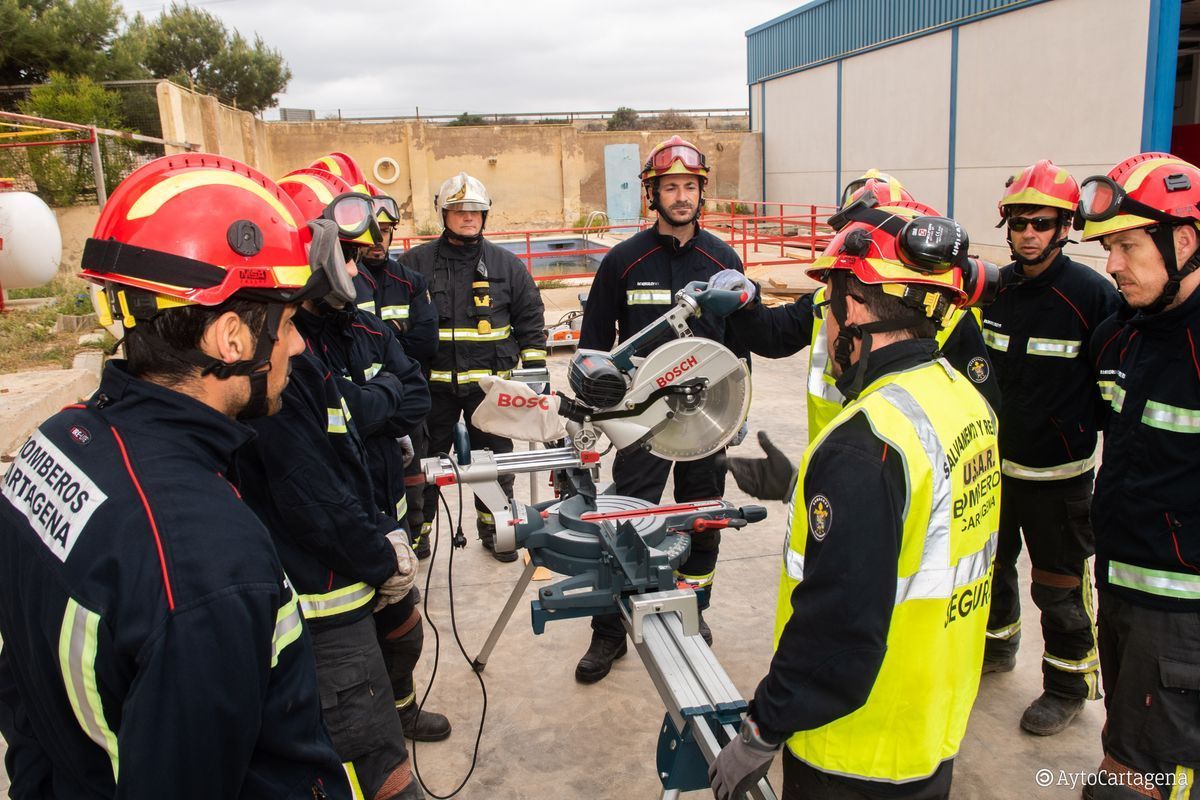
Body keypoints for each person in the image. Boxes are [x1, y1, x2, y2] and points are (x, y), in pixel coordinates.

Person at [0, 154, 350, 797]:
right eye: (290, 323)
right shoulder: (206, 560)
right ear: (231, 339)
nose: (297, 347)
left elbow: (22, 695)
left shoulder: (53, 443)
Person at [710, 202, 1001, 800]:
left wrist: (762, 731)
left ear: (859, 306)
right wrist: (802, 488)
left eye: (832, 304)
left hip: (855, 749)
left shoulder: (867, 441)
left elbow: (837, 629)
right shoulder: (963, 401)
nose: (829, 326)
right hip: (929, 724)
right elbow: (919, 529)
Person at [280, 165, 451, 744]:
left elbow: (417, 396)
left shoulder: (364, 328)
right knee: (348, 677)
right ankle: (376, 728)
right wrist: (378, 401)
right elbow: (325, 450)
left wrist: (361, 405)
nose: (359, 270)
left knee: (403, 637)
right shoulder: (289, 349)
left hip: (387, 519)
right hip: (340, 549)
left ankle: (400, 712)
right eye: (347, 258)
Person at [573, 135, 750, 683]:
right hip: (642, 421)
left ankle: (694, 614)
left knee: (703, 520)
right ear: (653, 194)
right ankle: (609, 631)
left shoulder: (723, 260)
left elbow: (738, 345)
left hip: (706, 419)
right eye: (670, 186)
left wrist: (738, 412)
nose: (681, 196)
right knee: (626, 520)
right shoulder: (624, 261)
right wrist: (593, 416)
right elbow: (593, 346)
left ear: (702, 193)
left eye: (690, 187)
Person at [723, 172, 999, 504]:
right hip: (837, 474)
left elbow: (976, 431)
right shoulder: (828, 303)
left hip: (899, 486)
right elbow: (772, 337)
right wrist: (745, 303)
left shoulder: (953, 319)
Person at [980, 160, 1119, 736]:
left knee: (1059, 588)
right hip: (993, 467)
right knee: (991, 569)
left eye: (1042, 222)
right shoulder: (997, 290)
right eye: (1019, 222)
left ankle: (1066, 687)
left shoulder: (1093, 295)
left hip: (1058, 476)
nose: (1029, 233)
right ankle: (996, 647)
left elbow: (1115, 392)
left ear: (1066, 228)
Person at [1078, 153, 1200, 799]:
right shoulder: (1123, 337)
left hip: (1181, 619)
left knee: (1139, 781)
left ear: (1184, 240)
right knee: (1124, 750)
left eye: (1127, 245)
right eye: (1108, 247)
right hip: (1122, 591)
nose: (1113, 264)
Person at [398, 171, 547, 563]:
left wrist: (533, 379)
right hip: (431, 391)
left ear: (485, 216)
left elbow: (530, 321)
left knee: (495, 463)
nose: (468, 217)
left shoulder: (507, 266)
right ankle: (418, 535)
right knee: (422, 466)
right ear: (443, 213)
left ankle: (497, 531)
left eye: (476, 211)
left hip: (489, 391)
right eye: (459, 210)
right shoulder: (414, 264)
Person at [360, 180, 439, 559]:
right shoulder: (343, 281)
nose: (378, 240)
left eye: (386, 231)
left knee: (412, 477)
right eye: (369, 231)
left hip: (404, 402)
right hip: (360, 405)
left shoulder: (409, 280)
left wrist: (382, 349)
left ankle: (413, 537)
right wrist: (392, 336)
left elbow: (426, 341)